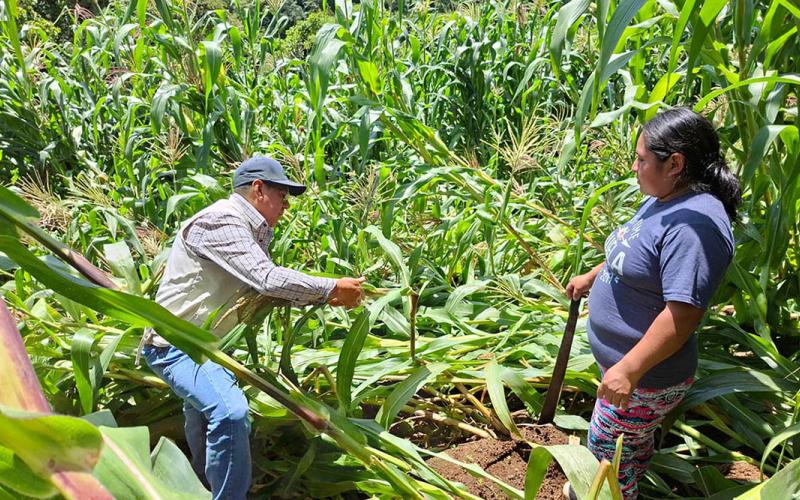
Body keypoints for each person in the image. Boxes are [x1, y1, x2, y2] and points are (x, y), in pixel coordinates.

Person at [139, 156, 365, 499]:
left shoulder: (249, 229)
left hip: (204, 346)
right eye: (282, 196)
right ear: (258, 189)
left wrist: (324, 296)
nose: (286, 206)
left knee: (203, 415)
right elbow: (266, 278)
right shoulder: (222, 220)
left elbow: (259, 290)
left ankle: (203, 487)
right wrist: (331, 287)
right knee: (230, 412)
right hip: (177, 345)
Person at [566, 108, 740, 499]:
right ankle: (629, 471)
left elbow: (683, 316)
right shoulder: (668, 196)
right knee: (626, 446)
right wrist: (593, 276)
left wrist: (628, 369)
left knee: (607, 457)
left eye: (642, 159)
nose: (634, 166)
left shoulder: (695, 228)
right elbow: (639, 250)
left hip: (645, 379)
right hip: (629, 371)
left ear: (675, 164)